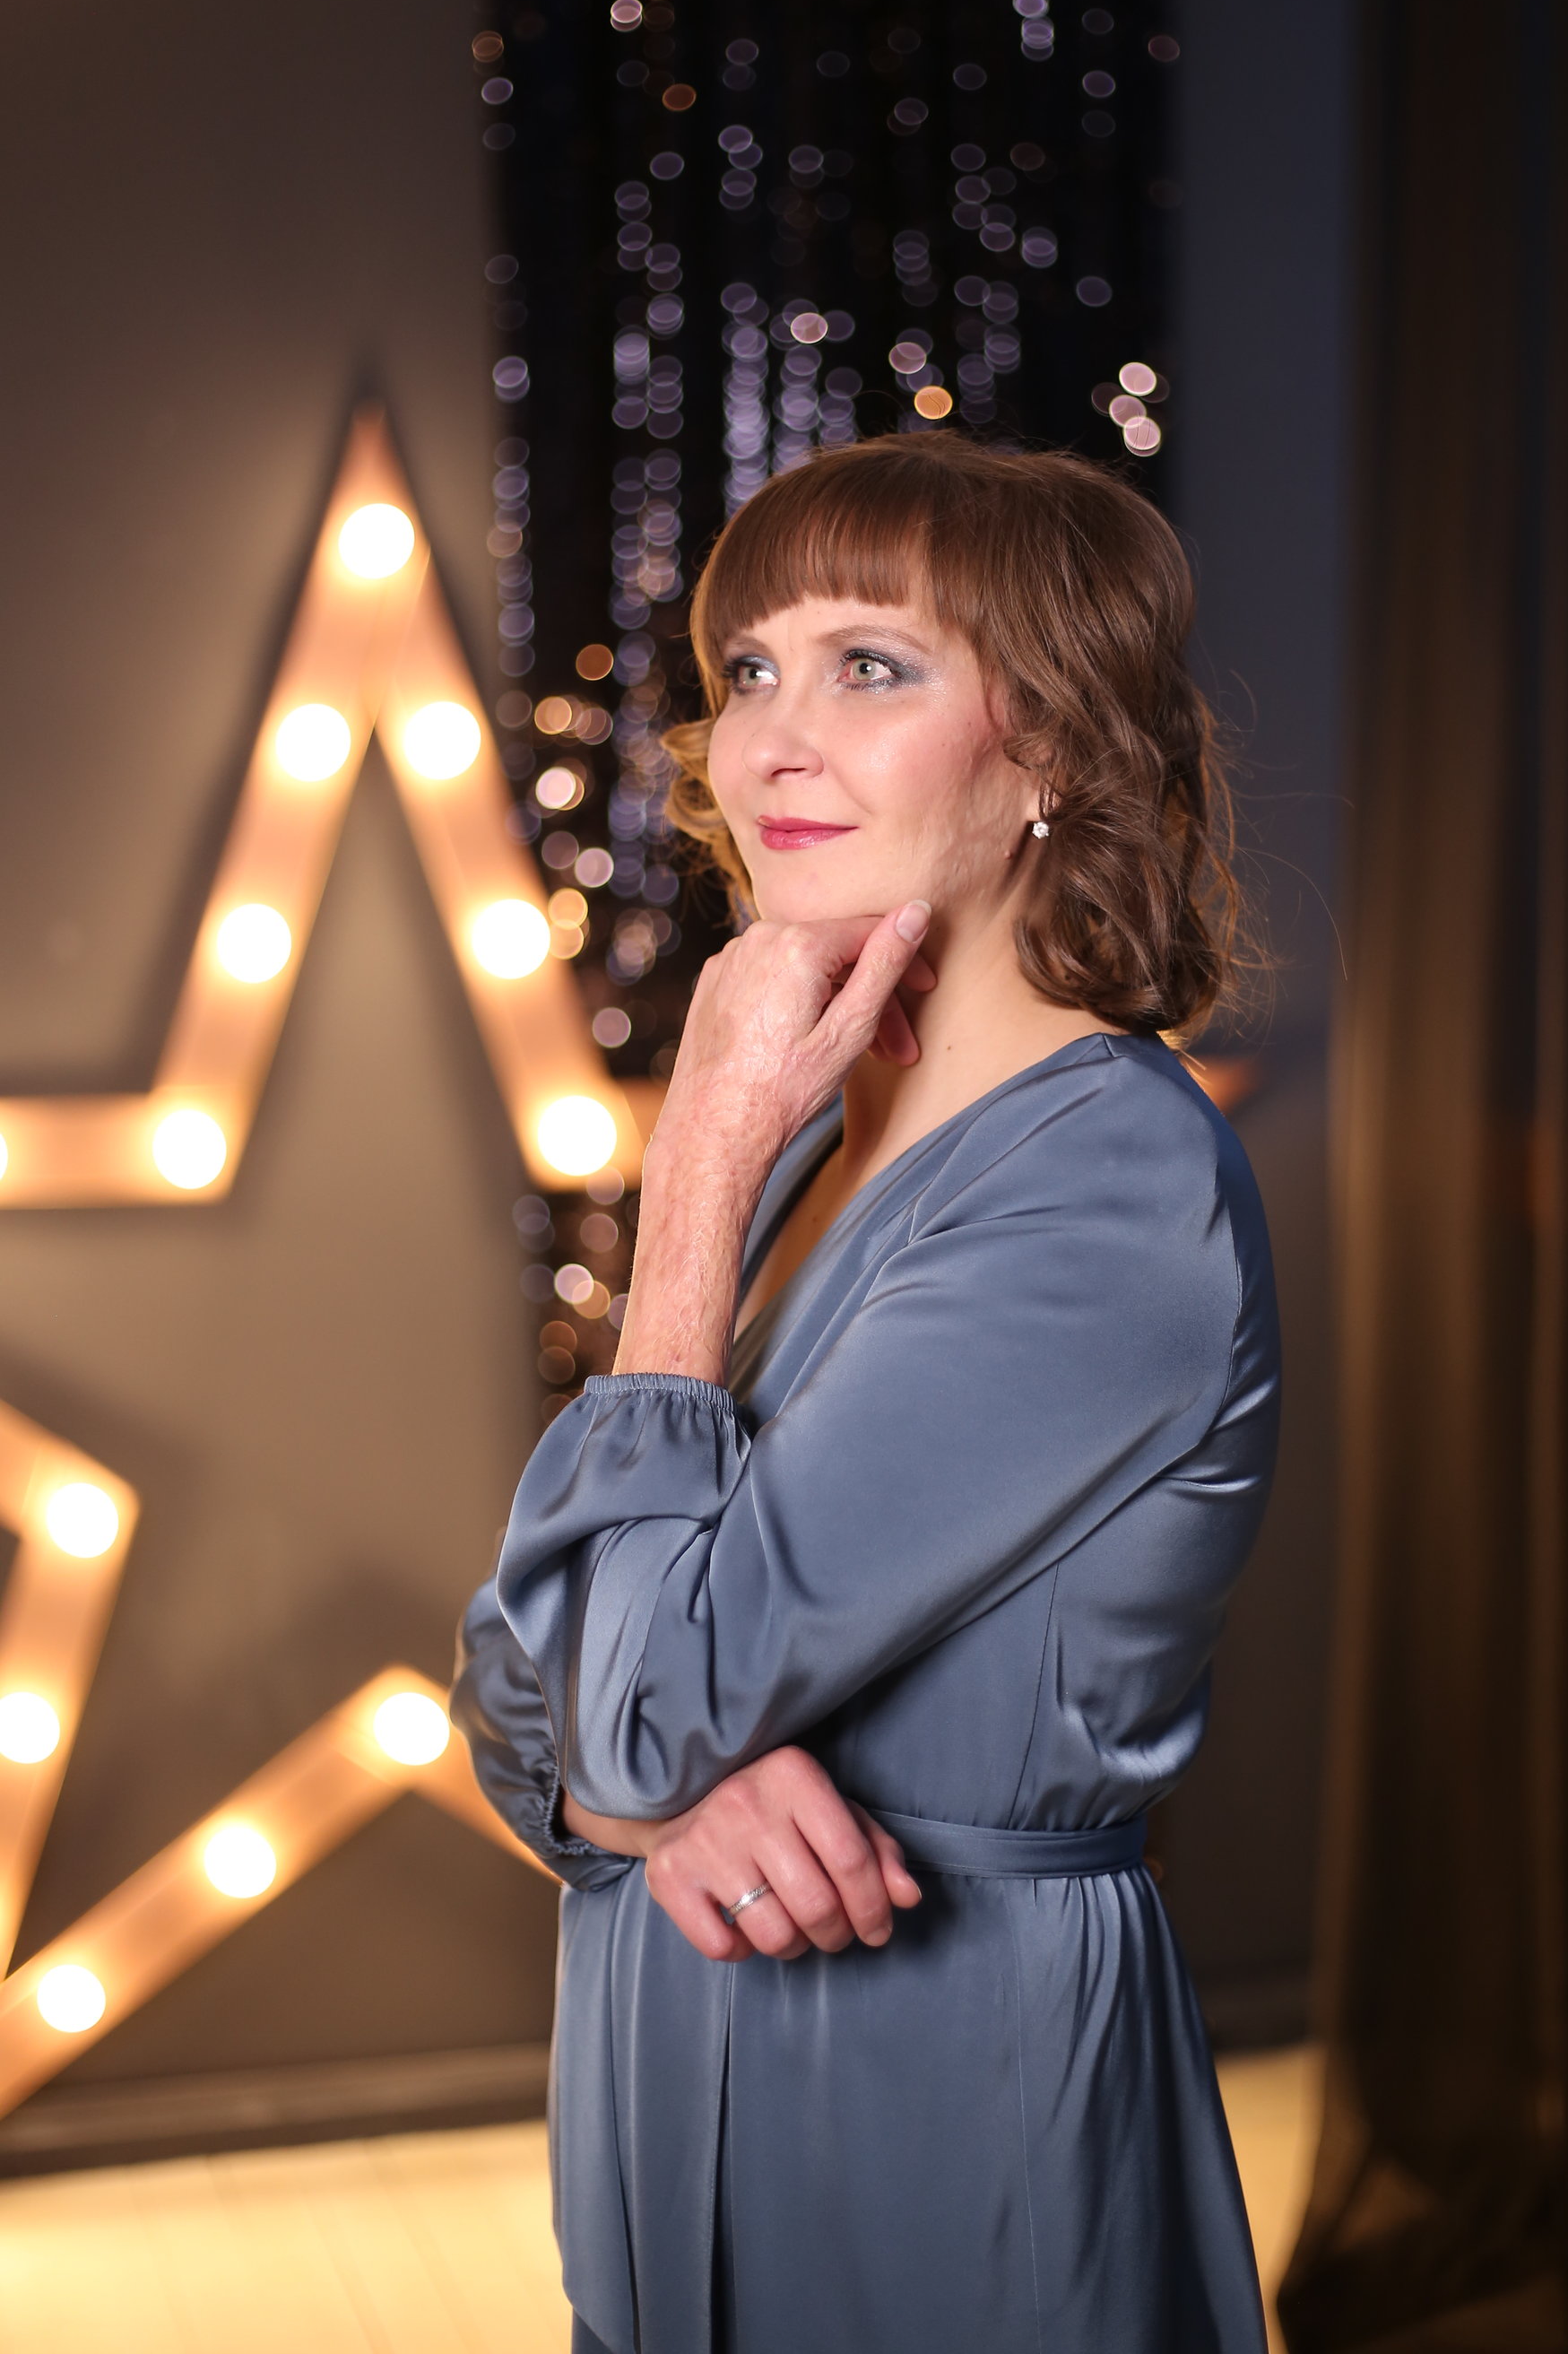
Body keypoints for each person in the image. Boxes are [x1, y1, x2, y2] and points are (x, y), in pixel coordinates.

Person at [453, 434, 1281, 2354]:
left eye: (871, 667)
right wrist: (650, 1795)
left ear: (1050, 743)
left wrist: (688, 1173)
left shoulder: (1107, 1187)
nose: (773, 741)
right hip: (668, 2085)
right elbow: (514, 1689)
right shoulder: (817, 1139)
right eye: (750, 669)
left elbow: (619, 1709)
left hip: (938, 2090)